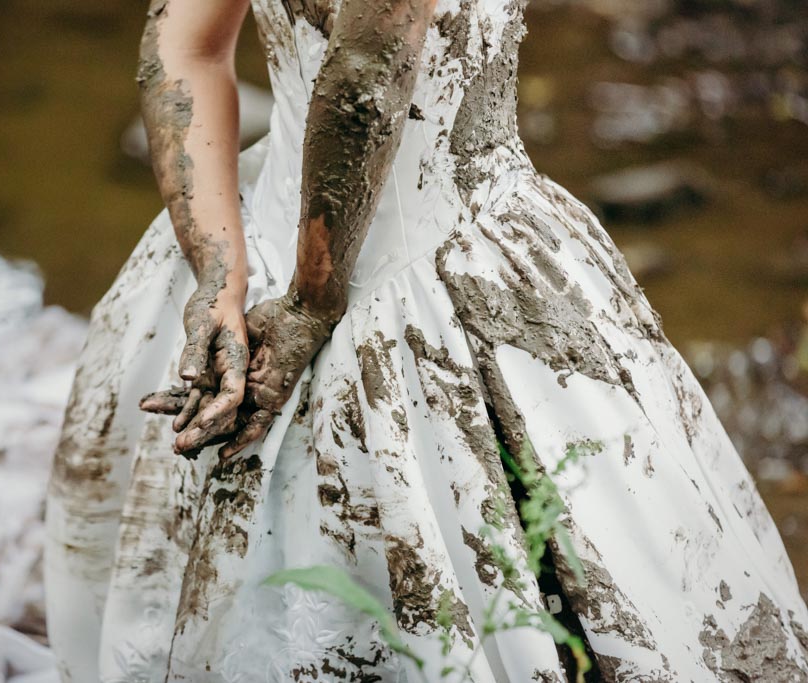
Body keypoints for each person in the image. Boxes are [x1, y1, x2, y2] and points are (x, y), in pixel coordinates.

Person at [45, 0, 808, 681]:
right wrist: (304, 302)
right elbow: (364, 70)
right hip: (415, 292)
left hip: (269, 248)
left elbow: (184, 40)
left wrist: (222, 275)